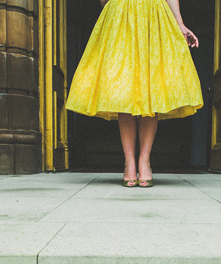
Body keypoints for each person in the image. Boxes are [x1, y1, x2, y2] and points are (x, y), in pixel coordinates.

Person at [66, 0, 203, 187]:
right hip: (122, 15)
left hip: (154, 16)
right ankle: (129, 162)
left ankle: (144, 161)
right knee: (124, 89)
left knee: (152, 88)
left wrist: (180, 24)